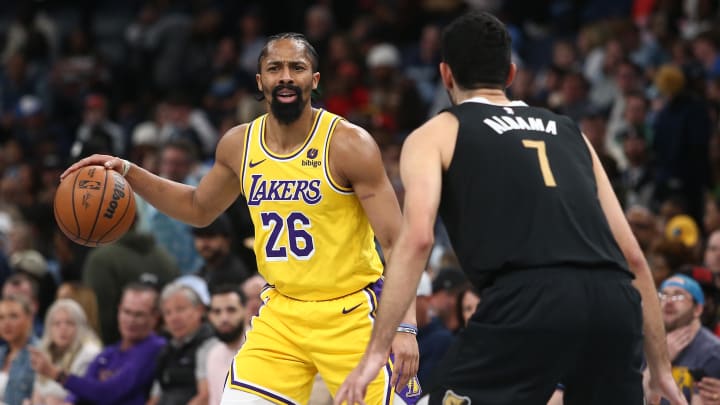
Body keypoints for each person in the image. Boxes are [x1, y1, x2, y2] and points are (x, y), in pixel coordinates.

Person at [335, 11, 685, 405]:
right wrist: (659, 370)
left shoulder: (437, 132)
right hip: (613, 301)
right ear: (512, 73)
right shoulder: (571, 132)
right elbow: (634, 256)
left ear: (446, 74)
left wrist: (376, 353)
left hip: (529, 299)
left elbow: (416, 239)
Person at [62, 32, 419, 405]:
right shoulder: (239, 145)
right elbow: (199, 208)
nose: (285, 76)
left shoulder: (348, 144)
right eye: (274, 68)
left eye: (297, 68)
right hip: (281, 312)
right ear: (259, 81)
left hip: (351, 312)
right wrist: (130, 171)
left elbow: (398, 243)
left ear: (314, 81)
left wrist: (405, 326)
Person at [34, 283, 165, 405]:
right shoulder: (109, 354)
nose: (130, 320)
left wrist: (55, 373)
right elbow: (83, 391)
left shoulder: (155, 348)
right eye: (126, 312)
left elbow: (109, 392)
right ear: (119, 311)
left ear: (155, 317)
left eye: (139, 315)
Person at [149, 282, 216, 405]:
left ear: (199, 310)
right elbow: (155, 396)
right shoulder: (166, 350)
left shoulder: (211, 345)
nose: (174, 318)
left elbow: (205, 397)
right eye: (168, 313)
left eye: (180, 309)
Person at [657, 274, 720, 403]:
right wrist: (661, 359)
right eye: (663, 295)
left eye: (679, 295)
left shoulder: (713, 352)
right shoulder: (645, 345)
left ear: (698, 309)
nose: (669, 301)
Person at [28, 299, 101, 405]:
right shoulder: (45, 351)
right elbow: (37, 393)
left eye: (70, 323)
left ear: (80, 326)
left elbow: (82, 395)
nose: (63, 329)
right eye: (57, 324)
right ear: (49, 328)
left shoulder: (89, 354)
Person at [206, 284, 247, 405]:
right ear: (210, 316)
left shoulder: (264, 348)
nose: (224, 318)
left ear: (245, 310)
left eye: (231, 310)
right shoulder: (213, 355)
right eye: (217, 312)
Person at [0, 295, 36, 405]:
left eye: (13, 316)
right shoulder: (1, 352)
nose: (6, 323)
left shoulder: (38, 354)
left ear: (30, 318)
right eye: (1, 317)